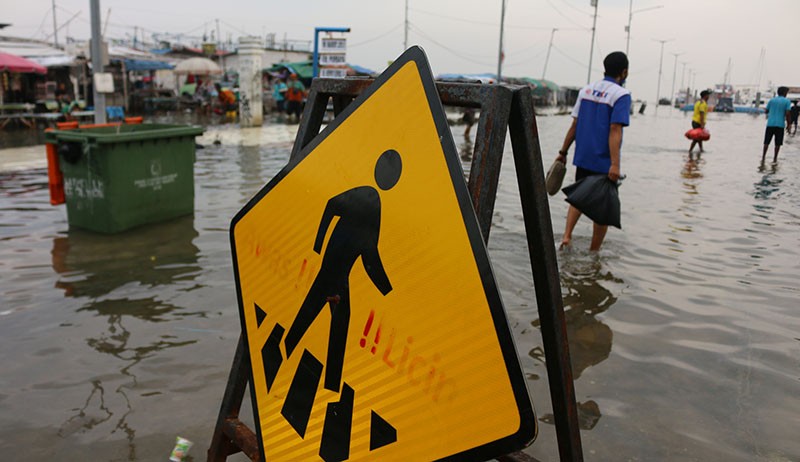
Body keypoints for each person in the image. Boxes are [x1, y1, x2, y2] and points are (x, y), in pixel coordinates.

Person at [554, 51, 631, 251]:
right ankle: (594, 252)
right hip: (604, 162)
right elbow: (615, 129)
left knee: (579, 198)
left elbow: (575, 125)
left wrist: (563, 151)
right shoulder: (621, 95)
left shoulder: (586, 90)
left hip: (583, 157)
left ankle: (566, 236)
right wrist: (615, 164)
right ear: (624, 72)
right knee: (603, 209)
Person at [762, 86, 792, 163]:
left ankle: (763, 157)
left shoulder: (772, 100)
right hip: (780, 124)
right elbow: (787, 113)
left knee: (766, 142)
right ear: (785, 93)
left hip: (770, 124)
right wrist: (789, 124)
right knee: (778, 143)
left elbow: (766, 111)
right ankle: (775, 158)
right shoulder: (787, 101)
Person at [689, 90, 710, 154]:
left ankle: (701, 150)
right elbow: (701, 113)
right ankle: (690, 151)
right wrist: (702, 124)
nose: (709, 96)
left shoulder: (698, 102)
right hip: (698, 122)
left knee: (699, 138)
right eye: (708, 95)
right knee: (696, 138)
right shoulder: (702, 103)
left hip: (694, 121)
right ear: (705, 96)